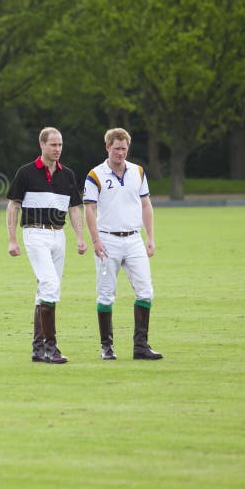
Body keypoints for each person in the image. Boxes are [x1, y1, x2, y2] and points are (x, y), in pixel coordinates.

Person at [6, 127, 87, 364]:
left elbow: (74, 209)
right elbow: (13, 207)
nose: (58, 149)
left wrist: (80, 237)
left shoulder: (68, 175)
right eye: (53, 145)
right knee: (50, 284)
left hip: (58, 236)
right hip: (35, 233)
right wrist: (12, 239)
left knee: (46, 290)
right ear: (42, 145)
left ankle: (37, 349)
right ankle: (52, 348)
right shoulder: (26, 172)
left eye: (60, 145)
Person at [83, 128, 162, 360]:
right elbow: (89, 208)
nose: (120, 153)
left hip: (134, 238)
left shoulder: (137, 171)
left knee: (145, 291)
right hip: (107, 239)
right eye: (116, 148)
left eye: (124, 149)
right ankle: (107, 347)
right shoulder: (95, 175)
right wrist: (95, 240)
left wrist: (150, 237)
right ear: (107, 147)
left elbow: (146, 204)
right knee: (106, 295)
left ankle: (141, 346)